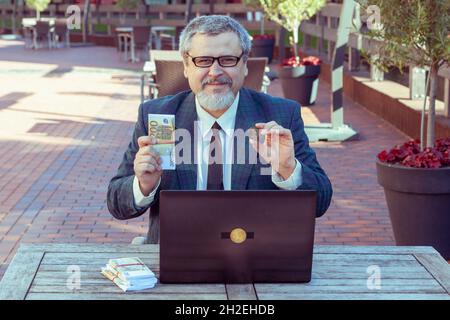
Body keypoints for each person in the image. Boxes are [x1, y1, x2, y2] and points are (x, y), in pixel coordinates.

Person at [107, 15, 332, 244]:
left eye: (227, 60)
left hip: (256, 259)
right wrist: (143, 186)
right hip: (175, 257)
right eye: (203, 60)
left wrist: (289, 169)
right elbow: (116, 203)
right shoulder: (159, 117)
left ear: (244, 65)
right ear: (186, 66)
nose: (215, 72)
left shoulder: (280, 116)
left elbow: (320, 202)